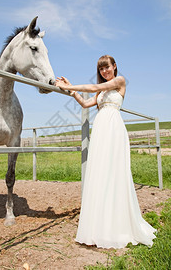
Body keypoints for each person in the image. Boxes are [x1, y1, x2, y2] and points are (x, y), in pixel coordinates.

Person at [56, 55, 156, 249]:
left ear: (114, 66)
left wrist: (72, 85)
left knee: (115, 172)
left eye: (107, 67)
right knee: (100, 172)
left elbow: (94, 88)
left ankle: (118, 225)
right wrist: (70, 91)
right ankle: (99, 226)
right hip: (101, 128)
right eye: (101, 69)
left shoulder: (119, 81)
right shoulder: (102, 92)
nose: (104, 71)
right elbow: (86, 104)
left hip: (114, 128)